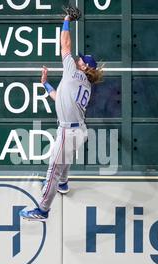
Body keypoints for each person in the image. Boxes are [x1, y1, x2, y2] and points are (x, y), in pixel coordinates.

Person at [19, 12, 104, 222]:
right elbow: (59, 98)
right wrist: (45, 84)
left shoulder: (74, 73)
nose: (77, 59)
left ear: (85, 67)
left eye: (81, 60)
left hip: (69, 130)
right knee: (63, 161)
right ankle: (64, 184)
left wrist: (66, 20)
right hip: (77, 130)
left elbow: (65, 45)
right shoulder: (82, 82)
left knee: (53, 170)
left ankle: (43, 210)